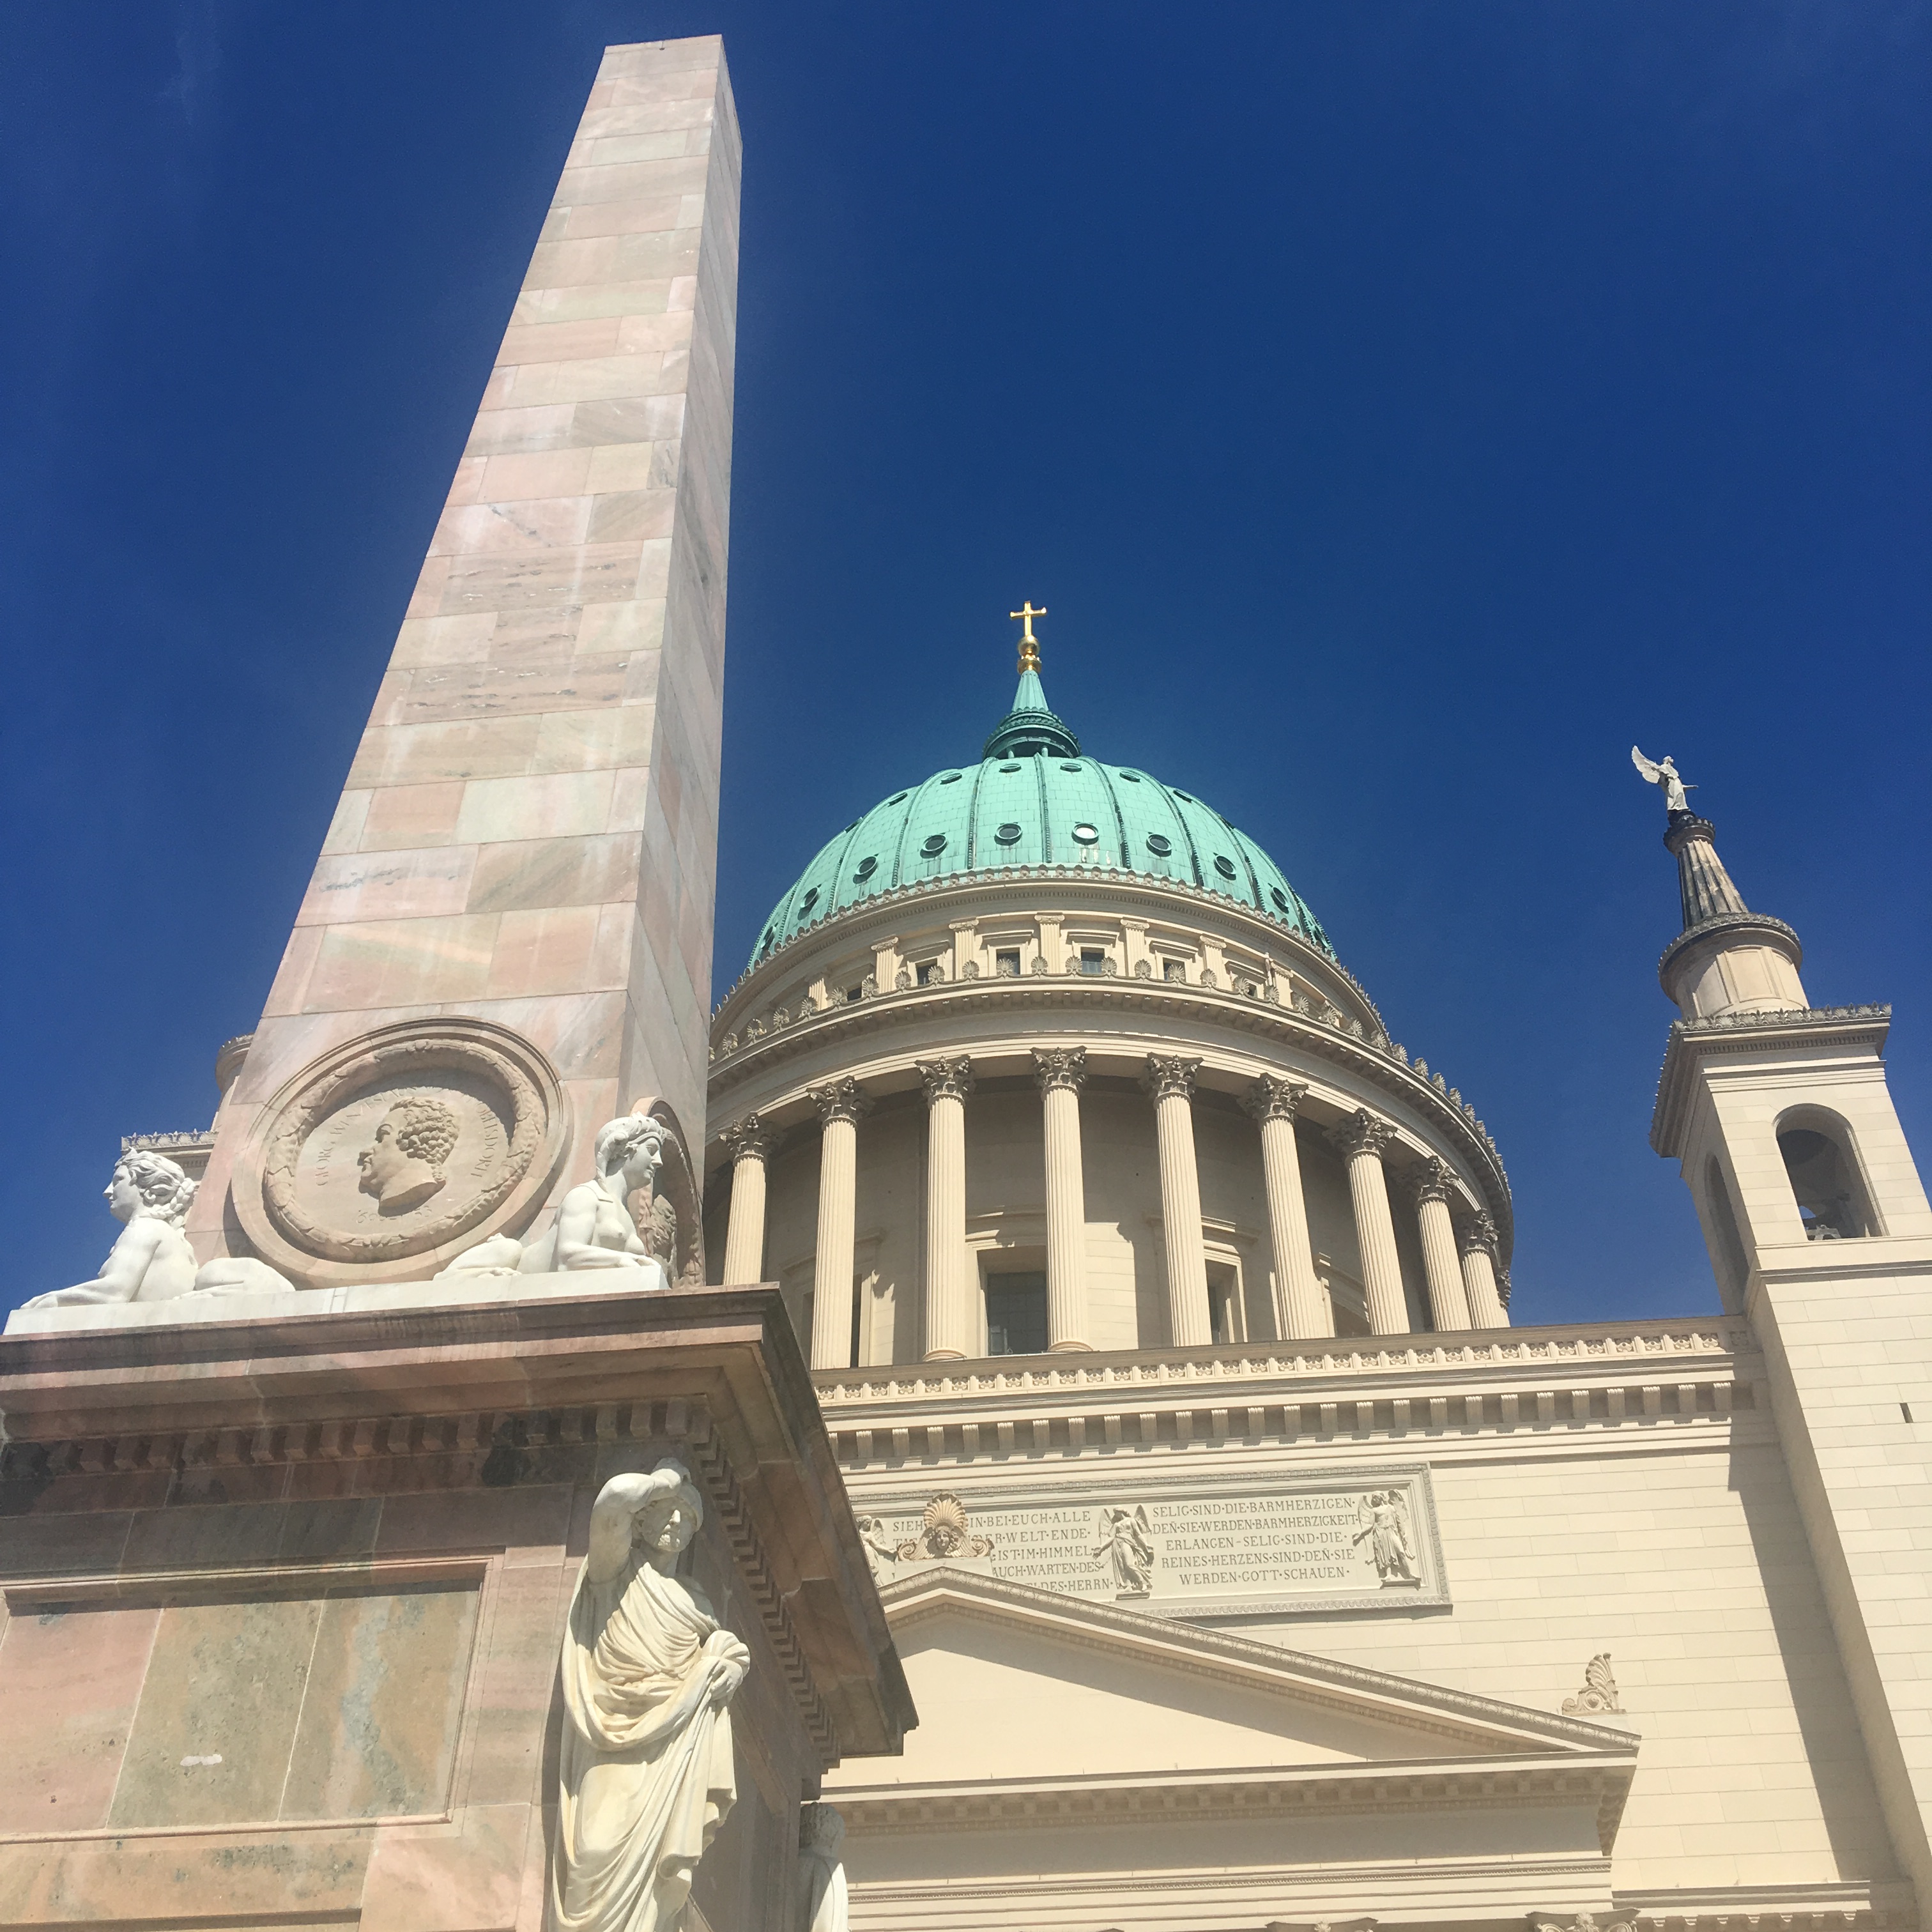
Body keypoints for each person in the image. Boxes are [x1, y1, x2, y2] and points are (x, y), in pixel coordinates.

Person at [549, 1460, 751, 1932]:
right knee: (593, 1853)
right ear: (642, 1520)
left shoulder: (697, 1603)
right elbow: (612, 1500)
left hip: (673, 1747)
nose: (676, 1522)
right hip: (610, 1733)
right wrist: (664, 1482)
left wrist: (732, 1667)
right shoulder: (615, 1571)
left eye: (687, 1517)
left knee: (660, 1871)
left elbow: (726, 1651)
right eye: (665, 1512)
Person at [24, 1151, 200, 1308]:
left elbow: (115, 1292)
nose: (108, 1191)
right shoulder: (159, 1230)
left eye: (118, 1181)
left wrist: (54, 1300)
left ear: (150, 1188)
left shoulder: (146, 1227)